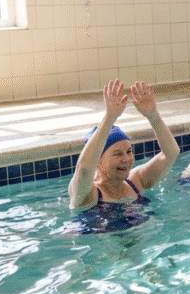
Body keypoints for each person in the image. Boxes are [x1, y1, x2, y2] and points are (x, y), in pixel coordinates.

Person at [68, 80, 179, 228]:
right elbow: (84, 170)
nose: (126, 159)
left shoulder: (136, 182)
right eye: (118, 154)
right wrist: (109, 117)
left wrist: (153, 116)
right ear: (98, 161)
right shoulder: (88, 195)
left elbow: (171, 153)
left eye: (129, 151)